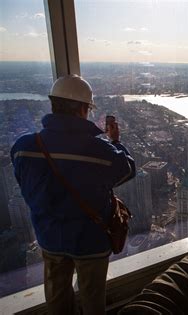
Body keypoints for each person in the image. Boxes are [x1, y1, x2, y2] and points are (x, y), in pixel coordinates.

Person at [10, 75, 136, 314]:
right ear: (82, 109)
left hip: (49, 236)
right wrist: (116, 142)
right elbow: (128, 170)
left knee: (57, 297)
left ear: (53, 104)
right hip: (91, 240)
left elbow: (24, 185)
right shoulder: (101, 151)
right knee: (92, 298)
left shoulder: (24, 148)